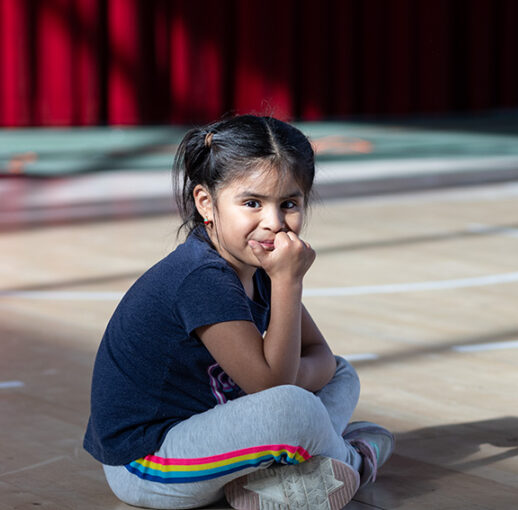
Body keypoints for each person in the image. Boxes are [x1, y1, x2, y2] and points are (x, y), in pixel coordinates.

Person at [83, 115, 394, 510]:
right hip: (148, 464)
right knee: (295, 407)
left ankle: (284, 471)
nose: (274, 223)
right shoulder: (202, 279)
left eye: (289, 204)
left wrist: (296, 377)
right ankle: (352, 459)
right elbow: (273, 388)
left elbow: (318, 355)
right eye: (252, 203)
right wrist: (288, 282)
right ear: (206, 203)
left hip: (216, 427)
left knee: (341, 372)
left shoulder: (256, 264)